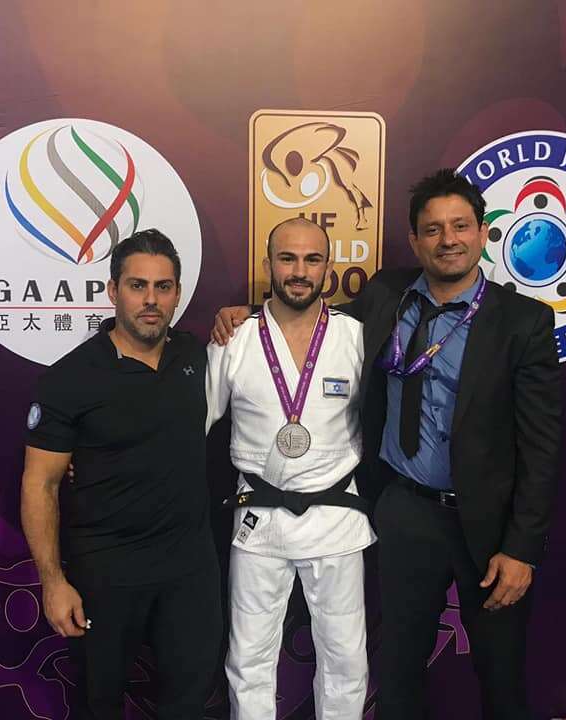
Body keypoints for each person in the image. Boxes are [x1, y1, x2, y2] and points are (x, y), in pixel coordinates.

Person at [212, 169, 563, 720]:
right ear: (415, 239)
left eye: (460, 226)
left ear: (482, 233)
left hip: (488, 523)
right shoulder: (385, 298)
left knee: (499, 673)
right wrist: (244, 316)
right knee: (396, 672)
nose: (448, 239)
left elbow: (542, 447)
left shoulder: (523, 322)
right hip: (405, 513)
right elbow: (302, 326)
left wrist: (522, 547)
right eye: (433, 229)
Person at [21, 229, 221, 720]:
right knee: (99, 705)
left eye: (163, 287)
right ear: (112, 290)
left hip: (189, 571)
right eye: (137, 286)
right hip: (104, 572)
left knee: (188, 706)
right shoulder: (69, 378)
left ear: (177, 293)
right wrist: (53, 581)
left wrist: (238, 314)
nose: (151, 300)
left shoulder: (198, 356)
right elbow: (40, 484)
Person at [206, 217, 376, 719]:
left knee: (346, 659)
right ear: (268, 265)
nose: (299, 271)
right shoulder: (234, 338)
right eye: (287, 258)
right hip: (259, 518)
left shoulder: (355, 338)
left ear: (328, 268)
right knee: (249, 659)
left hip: (336, 517)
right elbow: (190, 423)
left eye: (312, 259)